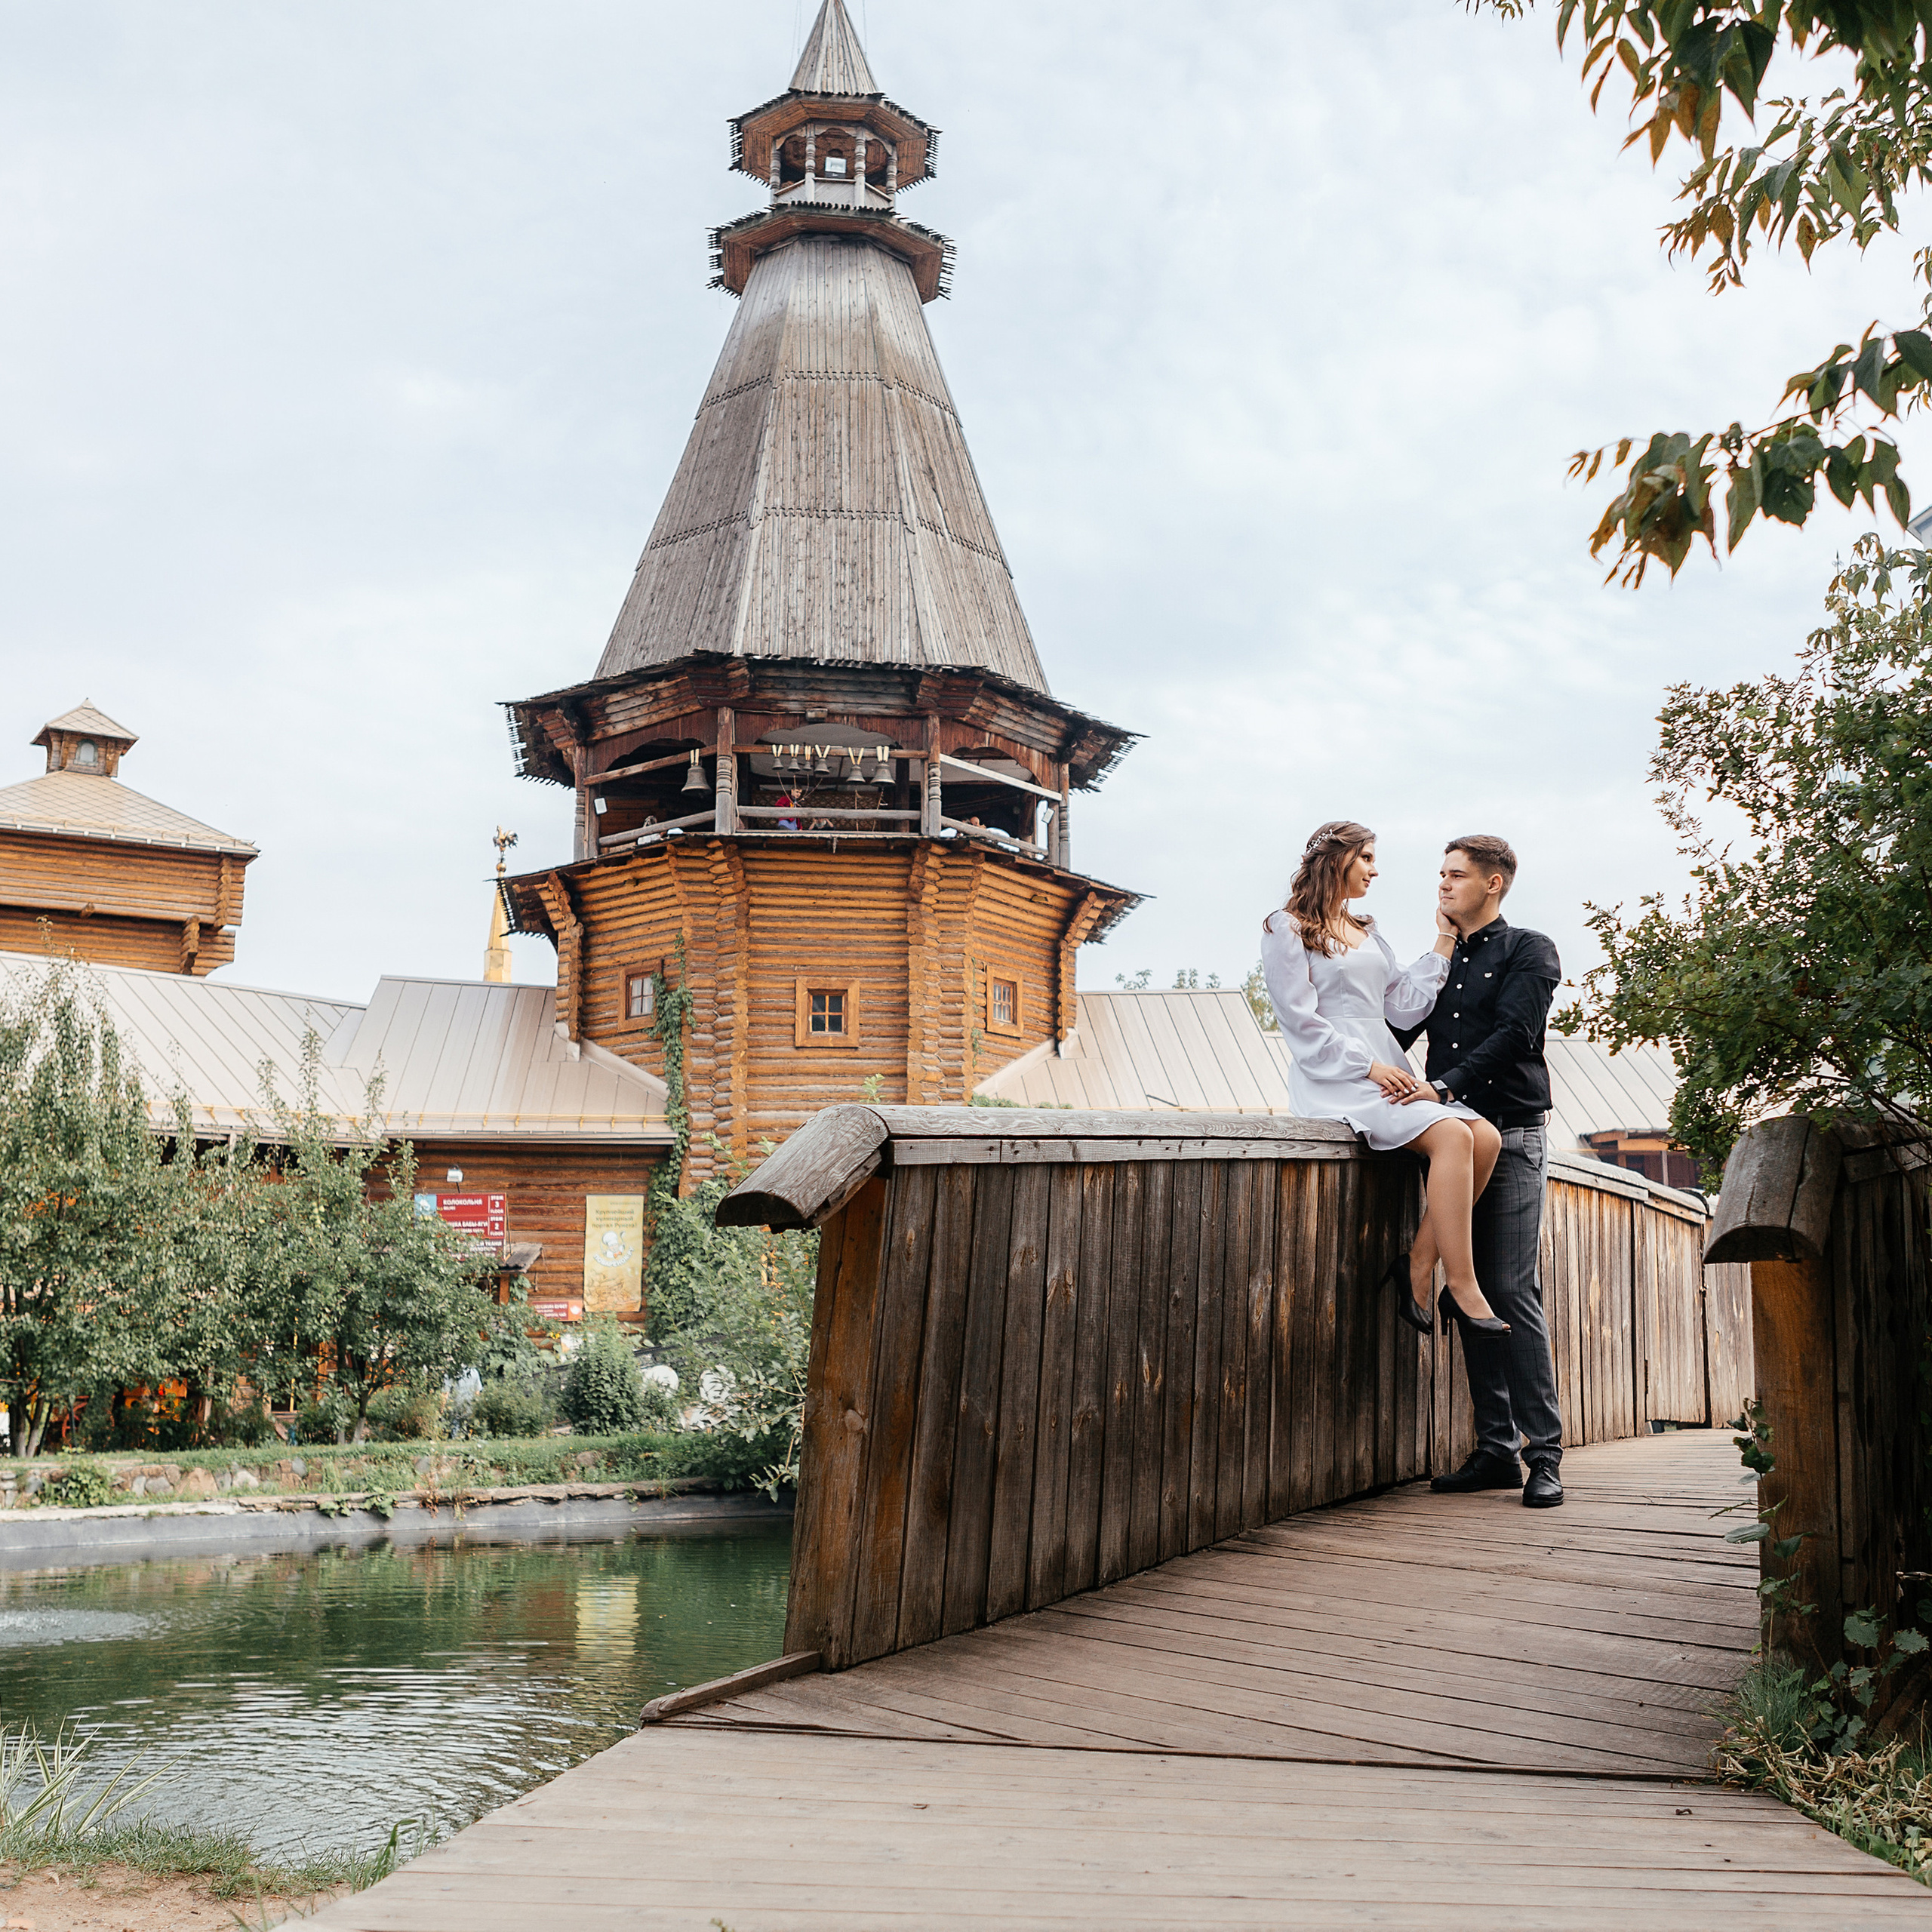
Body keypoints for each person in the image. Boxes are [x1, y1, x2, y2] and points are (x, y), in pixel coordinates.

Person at [1260, 821, 1507, 1337]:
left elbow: (1404, 1005)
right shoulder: (1286, 928)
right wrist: (1367, 1065)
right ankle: (1461, 1285)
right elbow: (1299, 1021)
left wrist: (1444, 938)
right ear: (1338, 860)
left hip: (1386, 1068)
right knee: (1452, 1135)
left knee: (1485, 1137)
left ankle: (1416, 1263)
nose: (1375, 870)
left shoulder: (1367, 931)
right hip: (1335, 1075)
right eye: (1367, 858)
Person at [1408, 835, 1566, 1510]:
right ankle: (1496, 1451)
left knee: (1508, 1288)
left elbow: (1516, 1033)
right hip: (1455, 1143)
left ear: (1493, 883)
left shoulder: (1530, 949)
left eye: (1456, 875)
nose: (1443, 885)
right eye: (1440, 875)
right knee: (1465, 1289)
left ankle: (1544, 1455)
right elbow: (1394, 1029)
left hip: (1514, 1135)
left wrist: (1443, 1086)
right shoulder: (1439, 961)